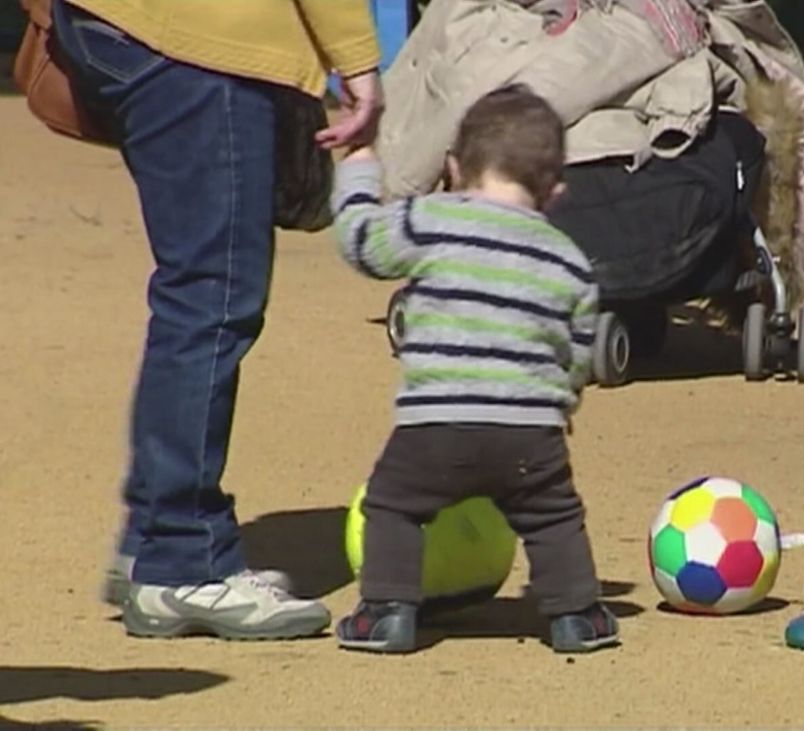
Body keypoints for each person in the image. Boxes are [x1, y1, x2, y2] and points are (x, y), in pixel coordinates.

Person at [48, 0, 383, 640]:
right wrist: (357, 59)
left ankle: (152, 534)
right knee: (211, 294)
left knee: (194, 289)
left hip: (111, 23)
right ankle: (183, 561)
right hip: (201, 40)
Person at [329, 84, 619, 654]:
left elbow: (360, 243)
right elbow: (578, 352)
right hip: (530, 435)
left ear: (457, 166)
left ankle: (386, 610)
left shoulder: (430, 220)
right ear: (554, 191)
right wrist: (563, 402)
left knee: (391, 504)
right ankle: (578, 615)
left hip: (436, 424)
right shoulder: (569, 261)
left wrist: (360, 173)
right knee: (555, 516)